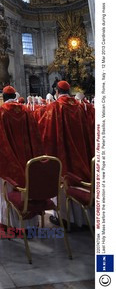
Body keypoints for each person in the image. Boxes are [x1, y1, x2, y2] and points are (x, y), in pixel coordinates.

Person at [39, 81, 94, 226]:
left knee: (64, 179)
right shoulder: (79, 106)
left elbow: (45, 132)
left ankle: (65, 217)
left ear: (57, 92)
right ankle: (84, 219)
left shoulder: (55, 107)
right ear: (68, 91)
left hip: (62, 153)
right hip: (80, 152)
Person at [0, 85, 43, 227]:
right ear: (15, 97)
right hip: (27, 160)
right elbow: (36, 135)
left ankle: (9, 223)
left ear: (3, 97)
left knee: (9, 188)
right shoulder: (26, 111)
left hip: (7, 160)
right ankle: (31, 222)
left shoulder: (0, 112)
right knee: (28, 185)